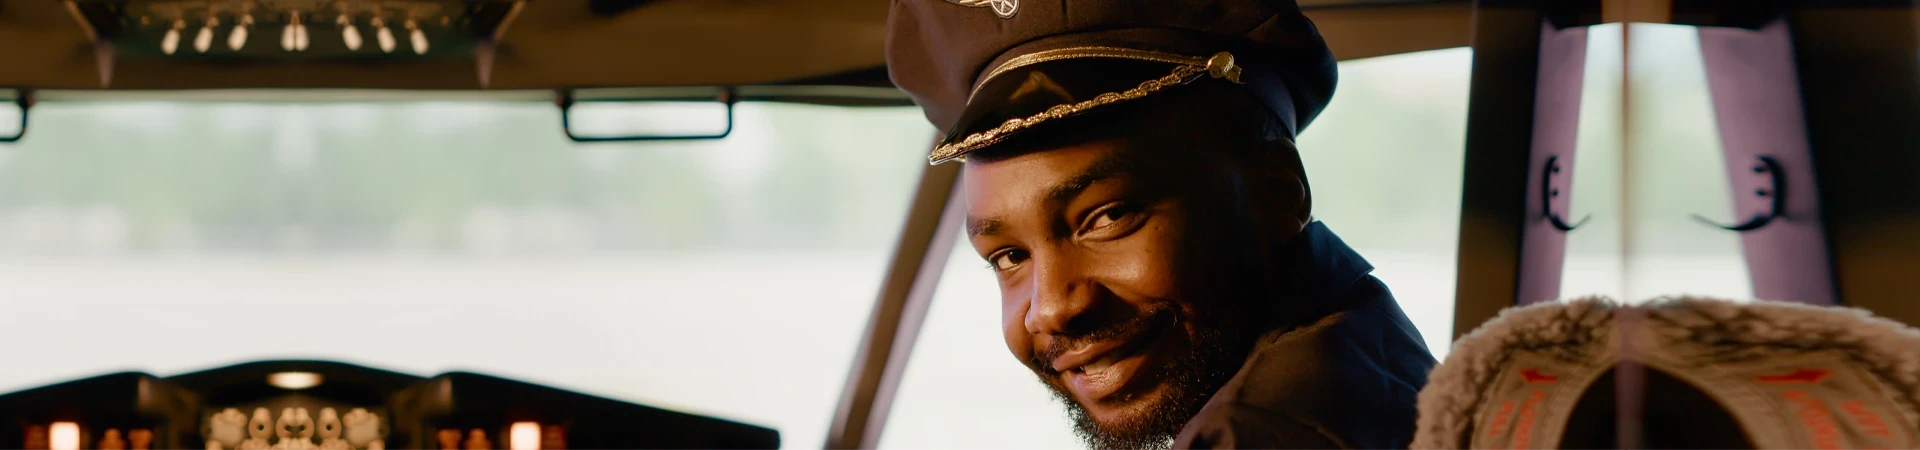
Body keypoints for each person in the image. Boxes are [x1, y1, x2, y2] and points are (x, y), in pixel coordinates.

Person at [885, 1, 1437, 449]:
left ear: (1277, 194)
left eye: (1107, 217)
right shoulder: (1367, 349)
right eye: (1009, 257)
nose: (1052, 307)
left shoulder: (1256, 434)